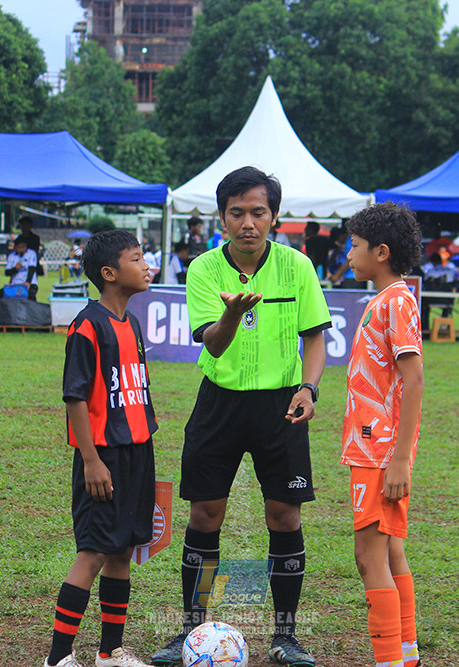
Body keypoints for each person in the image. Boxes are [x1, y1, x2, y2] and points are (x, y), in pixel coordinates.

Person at [151, 167, 330, 667]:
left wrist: (309, 388)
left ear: (274, 216)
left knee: (284, 515)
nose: (247, 222)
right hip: (220, 404)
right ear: (222, 217)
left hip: (281, 405)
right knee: (205, 515)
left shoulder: (297, 267)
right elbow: (213, 339)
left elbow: (315, 337)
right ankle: (191, 629)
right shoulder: (205, 270)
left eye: (257, 212)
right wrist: (232, 312)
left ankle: (286, 636)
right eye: (237, 213)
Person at [44, 230, 157, 667]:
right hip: (102, 457)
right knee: (91, 553)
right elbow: (74, 396)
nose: (146, 265)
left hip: (136, 452)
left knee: (122, 550)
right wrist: (91, 460)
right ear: (110, 273)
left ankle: (110, 652)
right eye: (136, 258)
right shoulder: (87, 325)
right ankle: (57, 658)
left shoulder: (131, 322)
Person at [342, 201, 424, 667]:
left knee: (368, 557)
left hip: (378, 452)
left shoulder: (396, 300)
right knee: (391, 553)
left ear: (382, 251)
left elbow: (413, 381)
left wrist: (398, 459)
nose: (349, 254)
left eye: (355, 246)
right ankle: (405, 654)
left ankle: (390, 659)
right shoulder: (386, 299)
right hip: (374, 448)